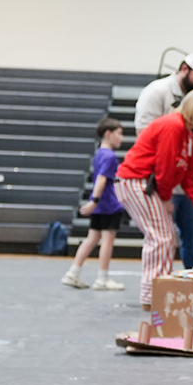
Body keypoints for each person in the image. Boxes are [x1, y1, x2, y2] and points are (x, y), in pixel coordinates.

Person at [116, 88, 193, 304]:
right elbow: (165, 167)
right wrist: (165, 198)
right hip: (136, 181)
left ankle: (156, 292)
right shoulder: (173, 126)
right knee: (161, 237)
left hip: (143, 183)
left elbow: (188, 174)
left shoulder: (187, 135)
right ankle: (152, 296)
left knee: (165, 236)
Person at [134, 51, 193, 273]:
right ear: (185, 69)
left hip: (187, 178)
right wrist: (164, 195)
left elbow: (190, 166)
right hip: (162, 180)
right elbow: (144, 135)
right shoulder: (157, 92)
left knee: (192, 238)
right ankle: (158, 283)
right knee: (163, 239)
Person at [64, 117, 127, 290]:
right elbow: (101, 179)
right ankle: (103, 278)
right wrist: (95, 199)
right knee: (107, 240)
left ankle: (73, 272)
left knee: (92, 238)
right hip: (109, 204)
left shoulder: (99, 153)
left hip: (100, 205)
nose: (121, 138)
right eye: (119, 133)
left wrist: (94, 200)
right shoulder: (110, 156)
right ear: (108, 134)